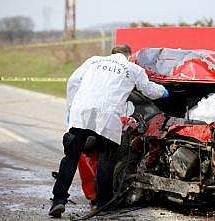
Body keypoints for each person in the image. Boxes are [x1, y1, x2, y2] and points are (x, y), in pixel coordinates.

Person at [49, 44, 168, 218]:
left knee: (70, 158)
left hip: (81, 113)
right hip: (108, 116)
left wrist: (70, 110)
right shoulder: (132, 68)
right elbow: (149, 90)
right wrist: (164, 92)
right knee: (106, 161)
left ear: (111, 54)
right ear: (128, 56)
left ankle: (59, 200)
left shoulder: (93, 61)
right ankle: (103, 204)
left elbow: (73, 82)